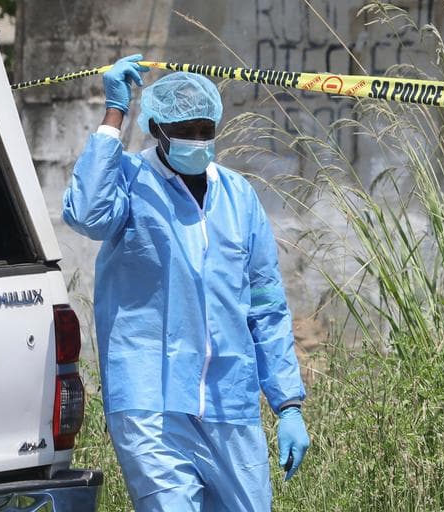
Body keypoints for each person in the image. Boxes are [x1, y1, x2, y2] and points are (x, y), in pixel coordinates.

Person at [62, 54, 310, 511]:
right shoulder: (130, 181)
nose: (197, 140)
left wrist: (288, 404)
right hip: (149, 402)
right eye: (184, 131)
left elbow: (265, 303)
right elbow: (87, 214)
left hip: (229, 399)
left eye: (204, 130)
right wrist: (114, 115)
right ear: (157, 129)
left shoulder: (238, 196)